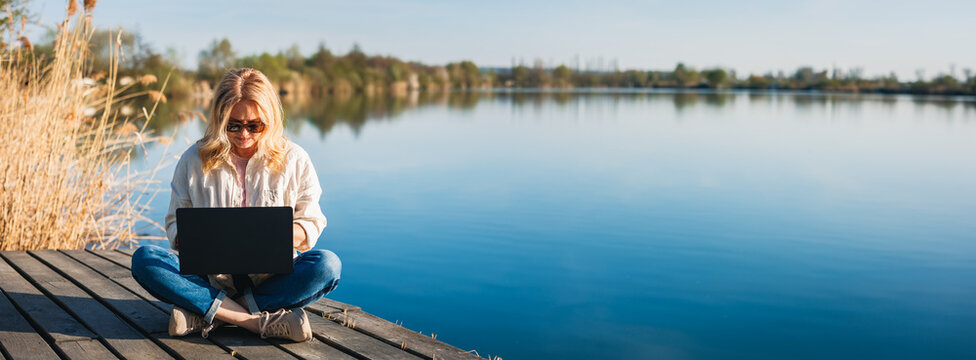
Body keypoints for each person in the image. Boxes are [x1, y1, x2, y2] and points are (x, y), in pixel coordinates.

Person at [130, 68, 340, 342]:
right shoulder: (193, 159)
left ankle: (209, 313)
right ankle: (255, 322)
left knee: (327, 266)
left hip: (272, 279)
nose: (243, 134)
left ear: (271, 120)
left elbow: (311, 223)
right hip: (210, 278)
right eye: (233, 124)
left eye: (254, 125)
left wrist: (273, 235)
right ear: (219, 119)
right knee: (145, 260)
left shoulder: (295, 159)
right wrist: (200, 238)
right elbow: (174, 225)